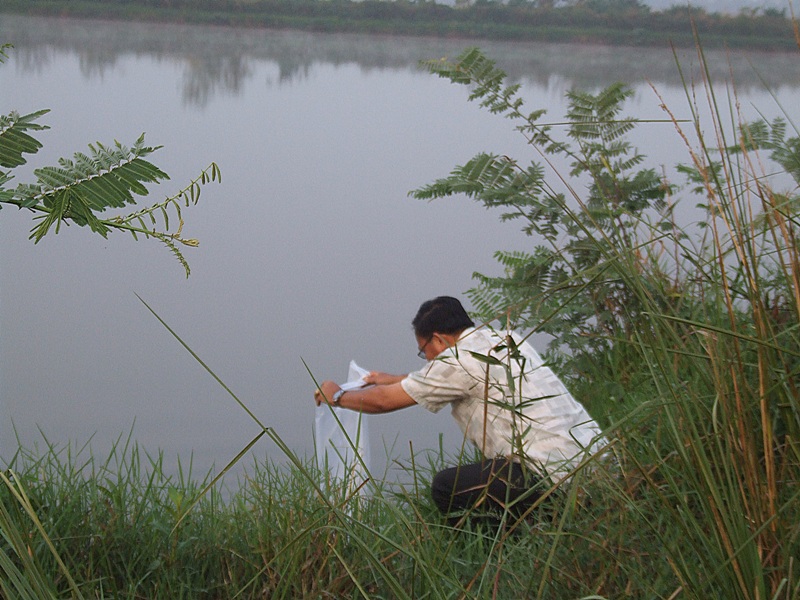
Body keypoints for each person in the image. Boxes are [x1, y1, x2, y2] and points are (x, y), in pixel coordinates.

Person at [313, 296, 605, 525]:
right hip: (597, 466)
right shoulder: (506, 339)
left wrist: (336, 395)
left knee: (446, 487)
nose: (425, 357)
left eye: (423, 350)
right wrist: (393, 379)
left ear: (438, 339)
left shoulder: (457, 362)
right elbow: (447, 380)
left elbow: (383, 402)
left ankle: (499, 554)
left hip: (552, 478)